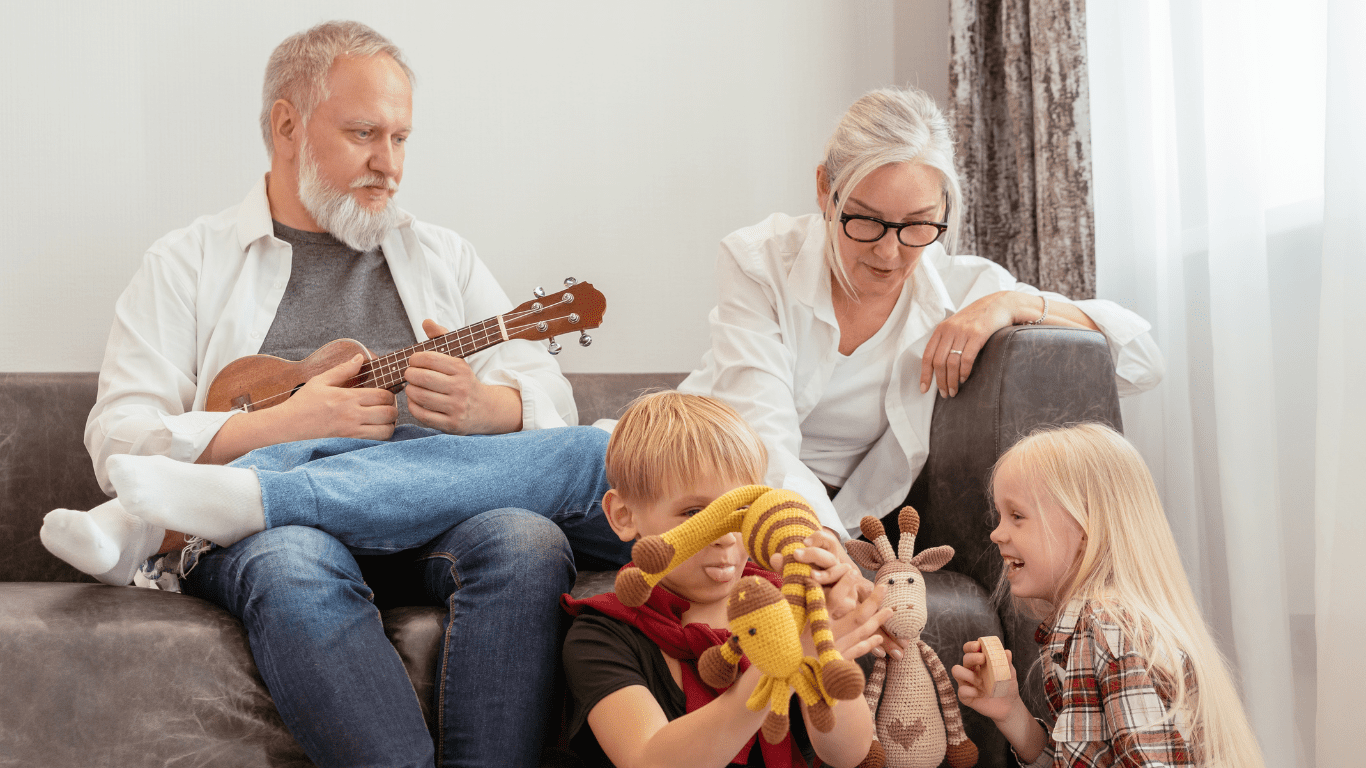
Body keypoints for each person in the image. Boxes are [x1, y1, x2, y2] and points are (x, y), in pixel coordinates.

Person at [38, 20, 628, 768]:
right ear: (287, 126)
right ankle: (259, 502)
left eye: (402, 138)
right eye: (363, 134)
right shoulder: (187, 263)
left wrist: (491, 409)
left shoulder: (442, 256)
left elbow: (544, 391)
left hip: (435, 520)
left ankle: (244, 496)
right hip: (280, 544)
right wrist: (281, 426)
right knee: (292, 557)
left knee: (526, 541)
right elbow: (120, 435)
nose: (390, 164)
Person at [678, 86, 1164, 537]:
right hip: (699, 478)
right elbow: (762, 440)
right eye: (865, 220)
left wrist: (1012, 303)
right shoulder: (759, 261)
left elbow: (1141, 362)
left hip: (831, 519)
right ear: (825, 188)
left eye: (917, 224)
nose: (889, 252)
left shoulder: (964, 289)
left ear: (942, 208)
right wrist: (819, 544)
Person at [560, 390, 888, 768]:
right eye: (694, 512)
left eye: (743, 509)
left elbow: (846, 754)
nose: (727, 537)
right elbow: (647, 759)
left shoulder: (789, 598)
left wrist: (824, 650)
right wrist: (774, 666)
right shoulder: (599, 636)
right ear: (623, 515)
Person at [950, 424, 1265, 768]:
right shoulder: (1092, 629)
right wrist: (1011, 712)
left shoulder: (1107, 629)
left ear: (1086, 527)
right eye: (999, 517)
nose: (996, 533)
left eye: (1017, 516)